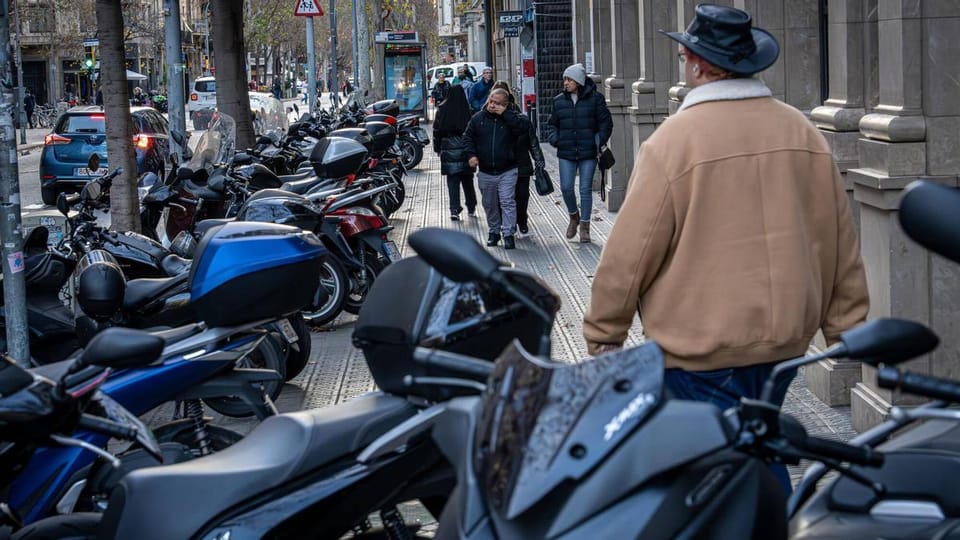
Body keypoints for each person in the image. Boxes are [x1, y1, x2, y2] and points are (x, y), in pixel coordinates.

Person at [582, 4, 869, 492]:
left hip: (699, 348)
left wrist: (605, 331)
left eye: (683, 56)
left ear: (697, 65)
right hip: (783, 341)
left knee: (720, 473)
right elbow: (837, 235)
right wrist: (847, 328)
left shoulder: (674, 141)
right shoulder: (801, 131)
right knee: (755, 448)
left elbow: (631, 252)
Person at [547, 63, 612, 243]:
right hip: (566, 151)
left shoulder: (596, 99)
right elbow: (552, 124)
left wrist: (598, 140)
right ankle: (573, 216)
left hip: (588, 152)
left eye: (569, 79)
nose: (565, 83)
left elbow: (606, 123)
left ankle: (585, 227)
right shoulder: (559, 101)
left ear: (579, 81)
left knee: (585, 189)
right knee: (566, 188)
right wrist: (556, 139)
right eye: (565, 80)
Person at [463, 88, 532, 250]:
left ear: (505, 105)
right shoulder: (478, 119)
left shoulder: (511, 119)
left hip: (507, 169)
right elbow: (467, 138)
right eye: (491, 101)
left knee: (507, 201)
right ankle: (494, 231)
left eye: (497, 103)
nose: (492, 105)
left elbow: (523, 127)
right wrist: (471, 155)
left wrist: (505, 114)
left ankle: (508, 234)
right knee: (489, 203)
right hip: (486, 170)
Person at [492, 80, 544, 234]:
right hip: (503, 166)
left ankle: (521, 219)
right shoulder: (489, 119)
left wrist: (539, 160)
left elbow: (532, 141)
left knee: (520, 196)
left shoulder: (520, 118)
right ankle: (510, 224)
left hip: (520, 164)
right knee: (507, 197)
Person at [433, 85, 478, 221]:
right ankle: (471, 207)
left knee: (452, 182)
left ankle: (454, 210)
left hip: (448, 148)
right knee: (468, 181)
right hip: (465, 149)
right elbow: (474, 133)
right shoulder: (468, 110)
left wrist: (438, 148)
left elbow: (437, 131)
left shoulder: (442, 109)